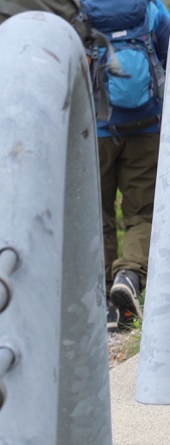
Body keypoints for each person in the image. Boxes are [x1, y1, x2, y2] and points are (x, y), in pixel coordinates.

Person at [93, 0, 169, 329]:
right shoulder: (152, 10)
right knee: (142, 212)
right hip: (146, 126)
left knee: (98, 212)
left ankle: (104, 302)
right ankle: (129, 275)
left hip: (96, 128)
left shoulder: (81, 11)